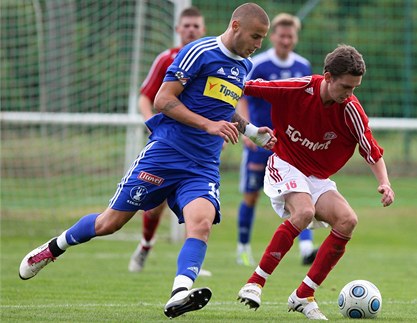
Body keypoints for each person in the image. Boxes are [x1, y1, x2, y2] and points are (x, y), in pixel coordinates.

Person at [19, 3, 274, 319]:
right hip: (166, 154)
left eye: (262, 38)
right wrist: (208, 125)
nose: (259, 44)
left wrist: (251, 131)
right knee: (108, 223)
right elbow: (163, 100)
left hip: (203, 164)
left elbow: (224, 107)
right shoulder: (200, 52)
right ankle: (54, 247)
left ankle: (179, 292)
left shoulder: (244, 67)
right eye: (256, 36)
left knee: (201, 224)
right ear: (235, 26)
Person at [237, 44, 395, 320]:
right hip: (285, 162)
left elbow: (371, 150)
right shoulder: (297, 88)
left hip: (317, 178)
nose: (350, 94)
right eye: (346, 86)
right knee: (305, 211)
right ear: (328, 77)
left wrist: (385, 183)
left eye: (355, 88)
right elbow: (247, 87)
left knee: (348, 220)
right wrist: (247, 127)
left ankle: (303, 294)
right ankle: (255, 283)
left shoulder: (351, 111)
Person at [129, 6, 211, 276]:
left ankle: (191, 264)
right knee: (154, 207)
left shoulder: (211, 60)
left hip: (199, 149)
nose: (191, 30)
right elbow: (145, 96)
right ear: (177, 29)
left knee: (197, 203)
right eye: (186, 25)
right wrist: (151, 123)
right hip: (168, 143)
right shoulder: (167, 59)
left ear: (203, 30)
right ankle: (145, 245)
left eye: (196, 26)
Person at [236, 13, 317, 267]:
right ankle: (243, 247)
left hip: (290, 144)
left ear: (295, 38)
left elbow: (308, 102)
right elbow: (241, 95)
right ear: (273, 37)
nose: (285, 40)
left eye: (290, 36)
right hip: (261, 140)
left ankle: (306, 247)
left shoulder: (303, 66)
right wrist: (247, 130)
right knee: (251, 195)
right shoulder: (258, 63)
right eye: (281, 35)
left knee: (299, 191)